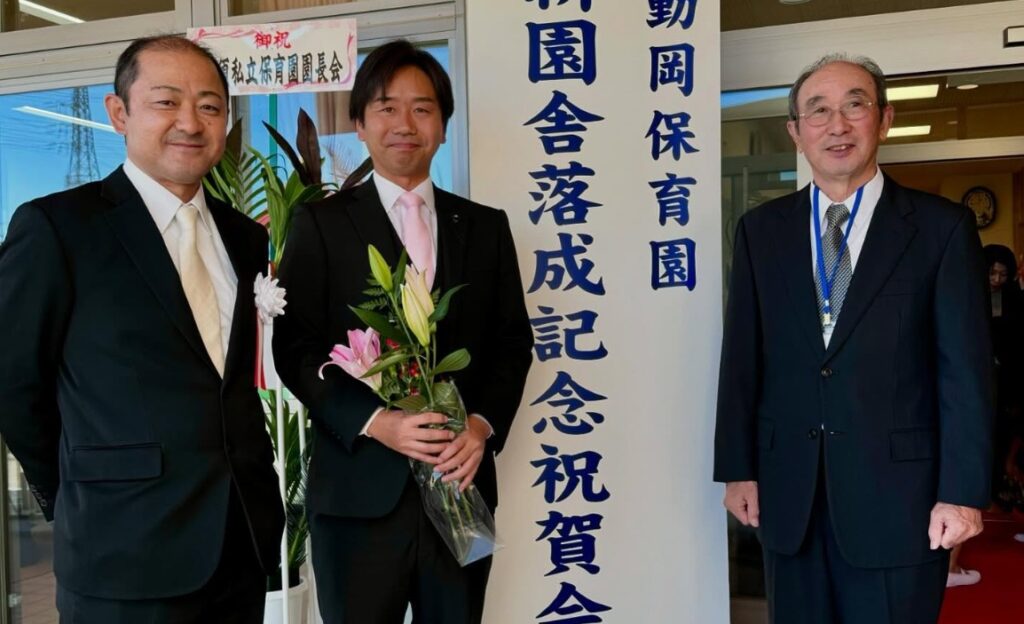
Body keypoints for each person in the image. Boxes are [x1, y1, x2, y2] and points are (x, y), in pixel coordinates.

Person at [0, 35, 284, 623]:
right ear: (119, 112)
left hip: (239, 544)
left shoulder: (245, 237)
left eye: (209, 106)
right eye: (166, 101)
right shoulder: (59, 228)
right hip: (120, 552)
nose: (191, 122)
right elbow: (12, 382)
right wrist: (76, 491)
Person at [714, 53, 993, 623]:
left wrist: (963, 492)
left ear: (884, 119)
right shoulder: (761, 231)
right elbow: (742, 358)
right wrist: (738, 467)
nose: (836, 125)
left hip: (901, 500)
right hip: (790, 495)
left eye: (854, 105)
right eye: (817, 111)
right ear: (796, 132)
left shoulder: (940, 229)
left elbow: (965, 372)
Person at [272, 39, 533, 623]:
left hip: (460, 491)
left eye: (422, 108)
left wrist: (480, 424)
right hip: (356, 497)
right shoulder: (320, 224)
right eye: (387, 108)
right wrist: (375, 422)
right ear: (360, 125)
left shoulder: (486, 228)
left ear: (442, 125)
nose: (405, 125)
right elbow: (294, 347)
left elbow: (513, 343)